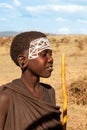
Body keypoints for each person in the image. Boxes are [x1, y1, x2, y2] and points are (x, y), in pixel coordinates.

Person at [0, 31, 63, 130]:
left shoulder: (50, 92)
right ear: (23, 61)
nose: (50, 59)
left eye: (51, 54)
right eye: (44, 54)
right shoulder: (5, 97)